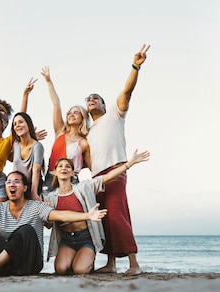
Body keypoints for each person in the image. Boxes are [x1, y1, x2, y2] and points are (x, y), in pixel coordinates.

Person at [85, 43, 151, 276]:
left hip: (116, 171)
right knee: (104, 219)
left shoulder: (114, 113)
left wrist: (135, 67)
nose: (91, 100)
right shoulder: (89, 132)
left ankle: (134, 265)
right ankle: (111, 264)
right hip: (97, 179)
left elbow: (127, 92)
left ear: (104, 104)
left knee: (118, 215)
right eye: (88, 99)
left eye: (96, 98)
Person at [45, 149, 150, 275]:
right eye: (60, 166)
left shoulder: (83, 187)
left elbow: (106, 177)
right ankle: (76, 258)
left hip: (85, 238)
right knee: (61, 269)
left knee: (80, 270)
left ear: (73, 173)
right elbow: (48, 225)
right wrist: (47, 213)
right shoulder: (51, 197)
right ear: (55, 172)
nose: (64, 168)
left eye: (68, 166)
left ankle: (86, 258)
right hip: (66, 240)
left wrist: (130, 163)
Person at [39, 66, 92, 194]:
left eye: (76, 113)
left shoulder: (84, 143)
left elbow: (92, 167)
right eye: (69, 113)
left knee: (70, 212)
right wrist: (48, 81)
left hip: (71, 181)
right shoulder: (60, 132)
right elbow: (56, 104)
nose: (71, 114)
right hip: (50, 179)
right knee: (47, 211)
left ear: (83, 118)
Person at [10, 112, 45, 201]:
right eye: (15, 124)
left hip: (31, 186)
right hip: (15, 186)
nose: (17, 125)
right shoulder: (16, 144)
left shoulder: (37, 146)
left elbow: (36, 170)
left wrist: (34, 193)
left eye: (21, 122)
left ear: (28, 124)